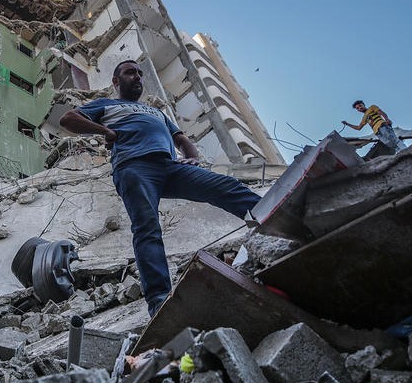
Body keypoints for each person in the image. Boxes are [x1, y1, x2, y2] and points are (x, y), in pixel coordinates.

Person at [59, 60, 261, 317]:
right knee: (147, 228)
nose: (138, 77)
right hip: (134, 167)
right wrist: (105, 131)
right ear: (116, 81)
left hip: (171, 168)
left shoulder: (157, 112)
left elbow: (181, 138)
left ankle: (273, 220)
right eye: (130, 72)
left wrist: (192, 157)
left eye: (140, 73)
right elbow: (69, 118)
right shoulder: (106, 105)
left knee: (226, 186)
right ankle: (159, 302)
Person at [342, 100, 406, 153]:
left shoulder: (372, 107)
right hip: (377, 132)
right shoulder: (364, 117)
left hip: (381, 125)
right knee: (389, 144)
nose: (360, 108)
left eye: (360, 106)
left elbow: (381, 112)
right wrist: (347, 124)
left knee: (393, 139)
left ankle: (405, 149)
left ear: (363, 105)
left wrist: (387, 119)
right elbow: (359, 128)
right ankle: (400, 152)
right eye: (357, 108)